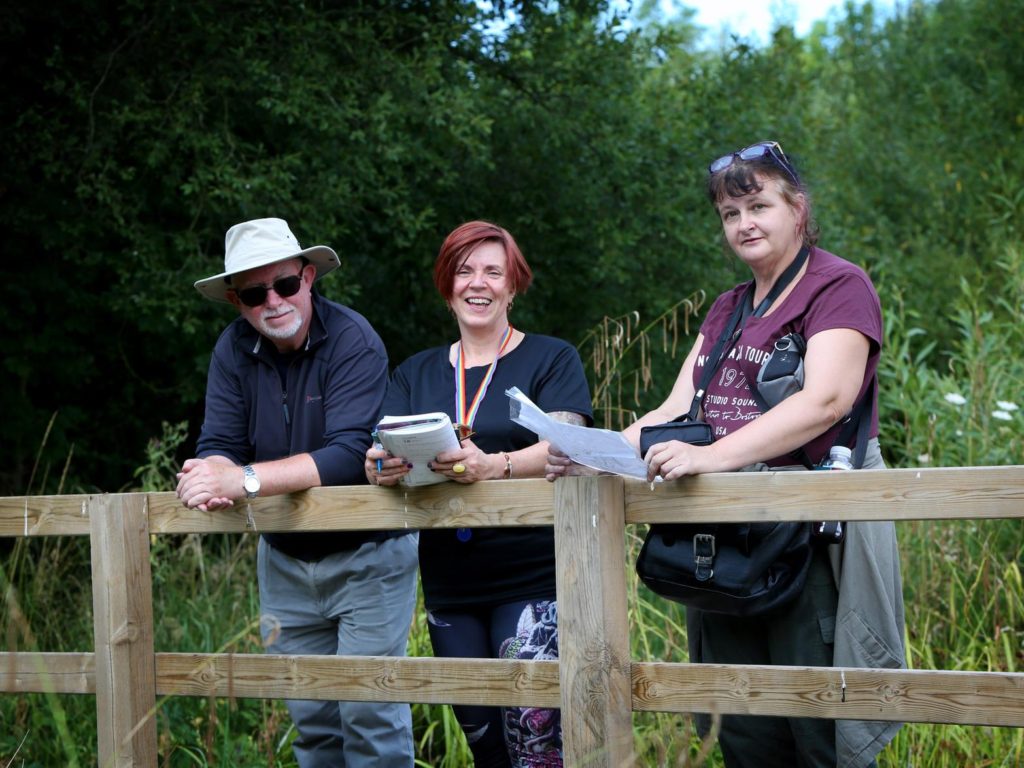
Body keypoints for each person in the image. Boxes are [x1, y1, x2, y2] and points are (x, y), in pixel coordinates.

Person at [547, 142, 905, 767]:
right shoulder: (728, 307)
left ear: (798, 208)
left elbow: (825, 401)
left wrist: (713, 458)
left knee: (819, 726)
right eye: (730, 212)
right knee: (741, 729)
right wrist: (594, 452)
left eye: (759, 205)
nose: (745, 223)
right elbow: (675, 412)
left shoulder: (837, 285)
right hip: (726, 543)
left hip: (807, 543)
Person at [176, 217, 419, 767]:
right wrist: (207, 476)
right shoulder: (232, 348)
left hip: (369, 553)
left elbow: (346, 456)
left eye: (285, 285)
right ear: (238, 301)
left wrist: (244, 480)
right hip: (283, 557)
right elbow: (220, 440)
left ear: (308, 278)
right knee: (312, 720)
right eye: (256, 293)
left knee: (369, 714)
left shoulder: (354, 339)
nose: (274, 302)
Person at [366, 220, 593, 767]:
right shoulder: (414, 372)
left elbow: (568, 442)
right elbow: (379, 449)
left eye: (494, 271)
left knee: (536, 748)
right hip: (450, 583)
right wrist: (379, 466)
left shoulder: (551, 357)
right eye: (464, 270)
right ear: (447, 286)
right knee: (484, 744)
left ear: (513, 285)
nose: (478, 283)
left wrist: (497, 465)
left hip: (533, 576)